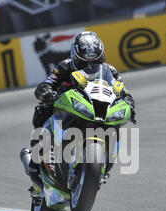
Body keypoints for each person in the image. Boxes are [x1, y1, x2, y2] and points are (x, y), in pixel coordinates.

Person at [27, 31, 136, 184]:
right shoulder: (65, 66)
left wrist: (129, 103)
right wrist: (46, 92)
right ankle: (36, 159)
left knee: (118, 123)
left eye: (94, 62)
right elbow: (47, 83)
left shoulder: (110, 71)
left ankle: (105, 165)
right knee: (42, 109)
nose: (89, 66)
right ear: (75, 57)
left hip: (97, 108)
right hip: (67, 106)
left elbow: (123, 92)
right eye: (84, 63)